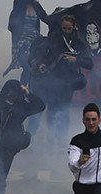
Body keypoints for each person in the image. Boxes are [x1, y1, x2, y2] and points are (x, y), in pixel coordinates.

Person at [31, 15, 93, 147]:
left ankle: (61, 139)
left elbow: (89, 63)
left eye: (69, 28)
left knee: (64, 110)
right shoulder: (53, 39)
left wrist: (76, 60)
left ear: (73, 27)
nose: (66, 30)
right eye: (64, 28)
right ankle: (51, 138)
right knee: (52, 109)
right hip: (53, 79)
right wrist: (41, 64)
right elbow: (41, 54)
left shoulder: (79, 42)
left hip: (69, 83)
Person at [5, 0, 49, 84]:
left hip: (34, 39)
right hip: (22, 39)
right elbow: (12, 23)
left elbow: (44, 17)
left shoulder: (35, 4)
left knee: (35, 66)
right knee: (27, 67)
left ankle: (33, 90)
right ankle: (23, 90)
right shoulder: (18, 3)